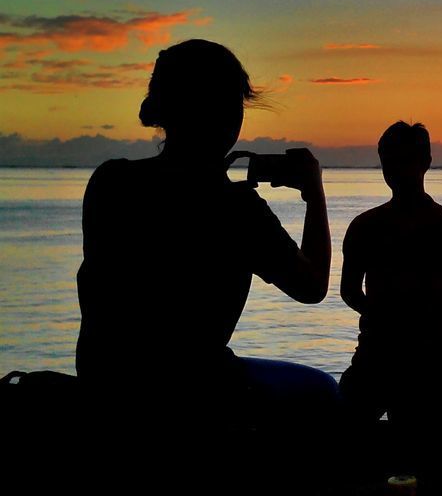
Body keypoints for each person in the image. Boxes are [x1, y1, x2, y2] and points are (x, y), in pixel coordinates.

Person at [74, 39, 338, 488]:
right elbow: (312, 286)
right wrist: (314, 195)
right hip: (195, 395)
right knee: (322, 392)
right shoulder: (236, 210)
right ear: (226, 115)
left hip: (106, 389)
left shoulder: (110, 181)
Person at [338, 121, 442, 429]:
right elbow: (349, 291)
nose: (396, 170)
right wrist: (381, 314)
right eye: (389, 162)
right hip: (374, 354)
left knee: (416, 442)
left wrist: (433, 309)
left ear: (426, 163)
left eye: (404, 160)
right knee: (343, 431)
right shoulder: (364, 227)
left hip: (430, 355)